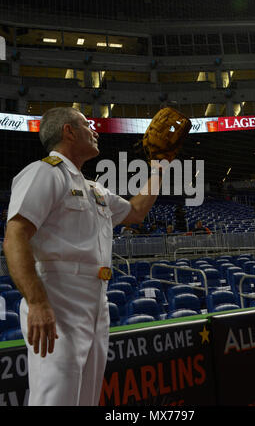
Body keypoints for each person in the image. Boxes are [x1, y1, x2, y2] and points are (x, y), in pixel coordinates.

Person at [3, 107, 164, 406]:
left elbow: (137, 211)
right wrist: (37, 302)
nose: (95, 130)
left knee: (87, 399)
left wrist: (158, 167)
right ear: (68, 131)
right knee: (56, 398)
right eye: (87, 124)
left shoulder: (94, 190)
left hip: (96, 300)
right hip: (58, 297)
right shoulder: (44, 171)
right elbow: (15, 236)